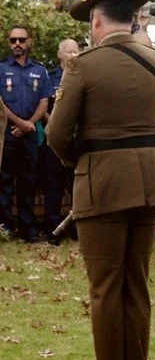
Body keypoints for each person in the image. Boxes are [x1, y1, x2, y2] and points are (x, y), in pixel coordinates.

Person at [46, 0, 155, 360]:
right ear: (134, 17)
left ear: (98, 20)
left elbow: (57, 134)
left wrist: (82, 162)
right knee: (135, 288)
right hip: (150, 180)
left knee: (105, 291)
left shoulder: (84, 65)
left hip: (102, 182)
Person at [0, 25, 54, 241]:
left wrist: (29, 124)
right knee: (4, 181)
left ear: (29, 41)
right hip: (7, 133)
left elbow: (44, 101)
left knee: (28, 182)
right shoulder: (1, 69)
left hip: (30, 134)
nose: (17, 45)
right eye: (13, 40)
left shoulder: (40, 71)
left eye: (21, 40)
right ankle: (5, 228)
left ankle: (28, 229)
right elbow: (0, 103)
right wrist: (19, 123)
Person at [40, 38, 80, 241]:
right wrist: (55, 127)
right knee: (53, 186)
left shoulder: (83, 75)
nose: (73, 55)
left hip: (77, 141)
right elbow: (44, 106)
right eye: (68, 51)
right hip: (54, 140)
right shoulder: (50, 76)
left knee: (77, 187)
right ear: (60, 54)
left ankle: (77, 230)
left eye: (76, 51)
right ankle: (53, 229)